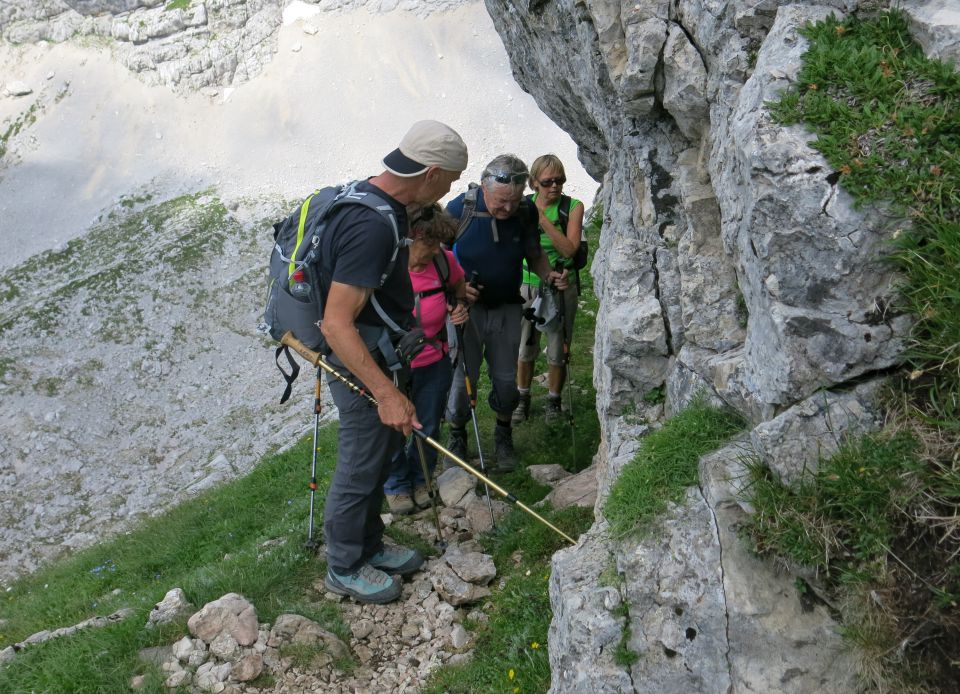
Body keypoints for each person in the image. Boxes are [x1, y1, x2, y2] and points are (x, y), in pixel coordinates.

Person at [319, 120, 467, 604]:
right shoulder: (371, 225)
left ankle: (369, 546)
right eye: (449, 178)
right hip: (359, 361)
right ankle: (343, 565)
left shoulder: (379, 201)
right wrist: (385, 392)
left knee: (380, 454)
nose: (449, 188)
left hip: (379, 352)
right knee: (363, 461)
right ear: (429, 173)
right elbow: (336, 323)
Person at [444, 154, 567, 472]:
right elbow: (434, 257)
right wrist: (454, 290)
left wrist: (549, 275)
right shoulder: (461, 209)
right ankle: (457, 436)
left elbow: (534, 253)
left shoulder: (525, 212)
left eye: (513, 201)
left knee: (505, 379)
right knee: (462, 379)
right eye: (501, 202)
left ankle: (503, 436)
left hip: (508, 308)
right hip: (464, 312)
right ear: (485, 189)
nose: (507, 209)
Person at [384, 205, 471, 514]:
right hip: (394, 362)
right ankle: (396, 486)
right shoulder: (388, 266)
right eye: (429, 243)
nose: (436, 249)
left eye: (438, 243)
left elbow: (458, 287)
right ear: (410, 238)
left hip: (433, 356)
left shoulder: (444, 263)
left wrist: (458, 305)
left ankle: (422, 480)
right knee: (395, 426)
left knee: (429, 422)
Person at [513, 154, 585, 423]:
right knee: (524, 346)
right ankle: (523, 399)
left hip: (560, 286)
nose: (555, 186)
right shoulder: (521, 206)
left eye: (560, 180)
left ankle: (553, 402)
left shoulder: (573, 207)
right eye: (547, 182)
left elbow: (569, 248)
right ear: (534, 183)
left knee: (558, 348)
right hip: (525, 284)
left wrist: (542, 220)